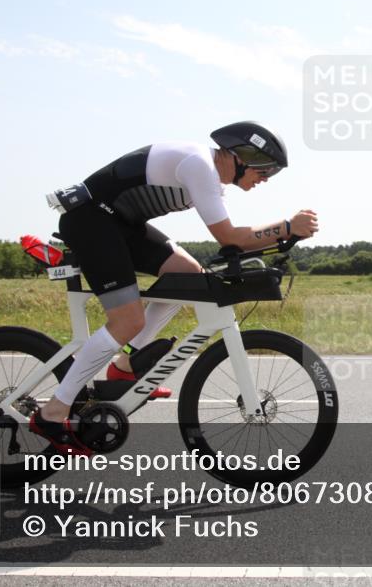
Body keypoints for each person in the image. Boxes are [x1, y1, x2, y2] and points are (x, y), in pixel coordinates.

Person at [31, 122, 318, 454]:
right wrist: (286, 226)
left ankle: (124, 368)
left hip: (119, 222)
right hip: (91, 220)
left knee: (187, 276)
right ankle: (54, 412)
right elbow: (229, 237)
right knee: (127, 320)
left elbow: (237, 241)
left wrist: (286, 235)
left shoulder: (209, 177)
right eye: (265, 169)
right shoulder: (200, 167)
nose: (266, 178)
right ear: (243, 156)